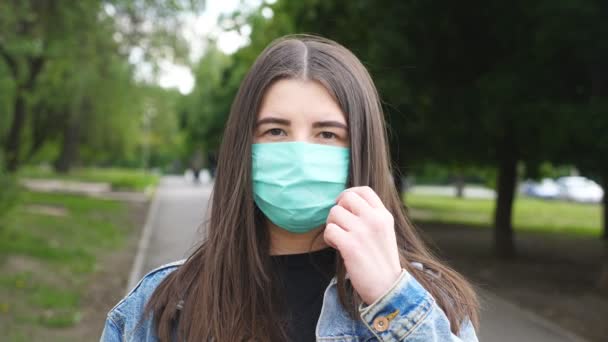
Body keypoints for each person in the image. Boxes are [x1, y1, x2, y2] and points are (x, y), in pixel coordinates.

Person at [101, 35, 479, 341]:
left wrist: (390, 297)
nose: (300, 155)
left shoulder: (429, 303)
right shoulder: (160, 306)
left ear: (361, 150)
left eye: (327, 133)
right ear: (242, 148)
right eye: (276, 131)